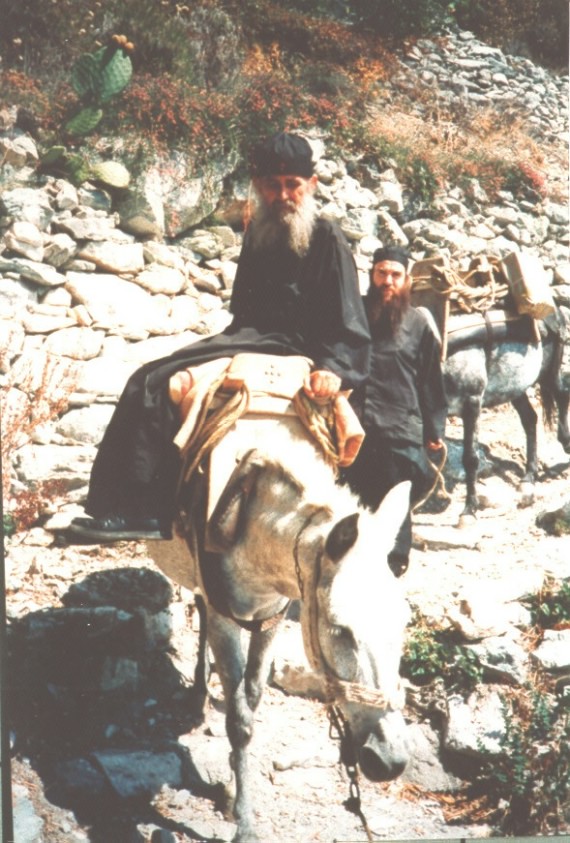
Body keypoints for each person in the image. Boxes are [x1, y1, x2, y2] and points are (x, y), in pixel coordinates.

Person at [69, 132, 371, 541]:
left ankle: (139, 510)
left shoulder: (327, 238)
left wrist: (335, 368)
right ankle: (128, 508)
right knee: (149, 379)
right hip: (251, 339)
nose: (282, 194)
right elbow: (243, 311)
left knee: (154, 381)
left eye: (292, 185)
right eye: (272, 184)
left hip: (299, 348)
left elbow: (350, 319)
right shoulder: (259, 228)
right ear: (258, 186)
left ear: (311, 185)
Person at [341, 245, 447, 577]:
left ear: (406, 280)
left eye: (395, 275)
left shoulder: (418, 325)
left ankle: (393, 567)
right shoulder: (351, 315)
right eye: (381, 273)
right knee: (351, 499)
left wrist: (434, 430)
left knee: (395, 499)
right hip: (354, 426)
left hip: (399, 429)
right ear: (371, 276)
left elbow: (431, 381)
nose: (388, 281)